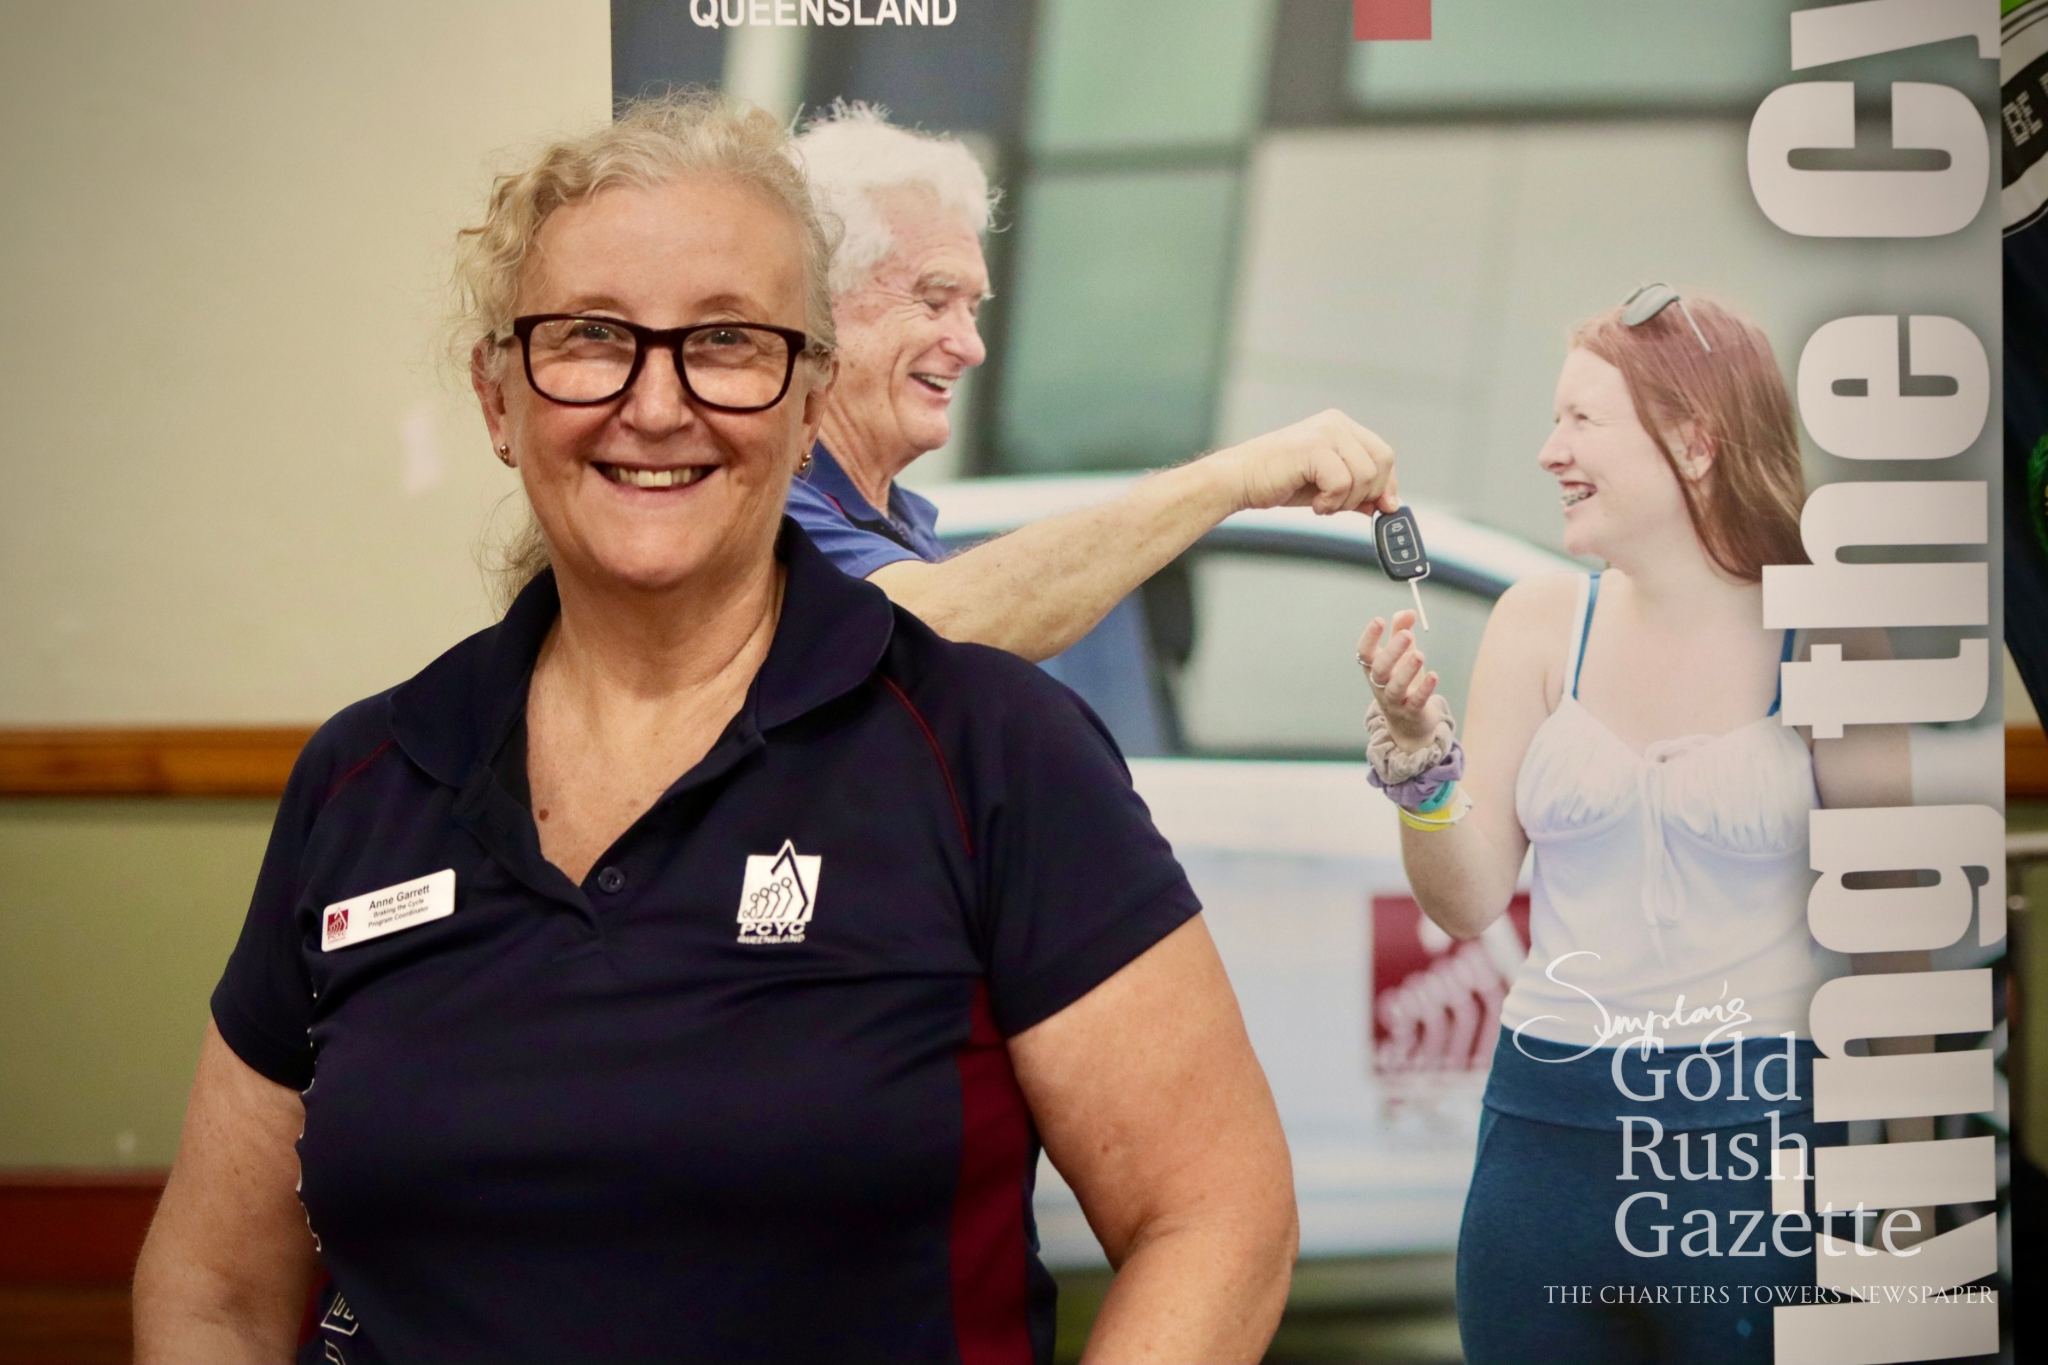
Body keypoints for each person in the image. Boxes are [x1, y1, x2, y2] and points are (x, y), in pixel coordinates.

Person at [131, 93, 1297, 1365]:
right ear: (499, 397)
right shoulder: (364, 780)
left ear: (805, 400)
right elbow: (215, 1290)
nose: (654, 403)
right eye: (589, 339)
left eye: (727, 343)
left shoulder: (993, 753)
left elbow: (1212, 1216)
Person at [1355, 287, 1912, 1364]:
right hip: (1542, 1136)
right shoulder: (1534, 623)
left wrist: (1908, 1203)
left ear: (1693, 442)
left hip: (1756, 1140)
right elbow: (1466, 901)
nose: (1545, 450)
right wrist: (1419, 761)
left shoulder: (1829, 634)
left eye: (1578, 421)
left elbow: (1894, 949)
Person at [788, 103, 1400, 669]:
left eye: (973, 308)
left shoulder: (897, 519)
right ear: (819, 306)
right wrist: (1231, 479)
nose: (971, 347)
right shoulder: (767, 504)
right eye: (934, 299)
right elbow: (924, 627)